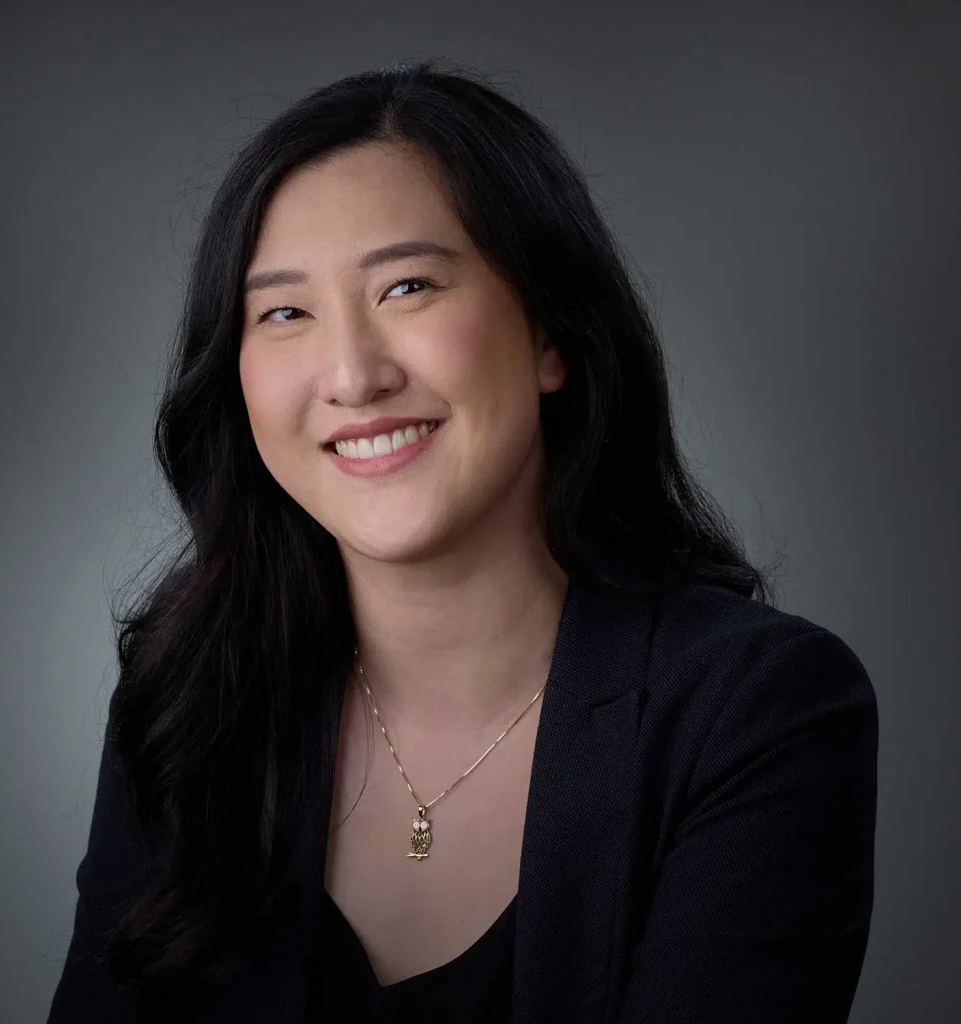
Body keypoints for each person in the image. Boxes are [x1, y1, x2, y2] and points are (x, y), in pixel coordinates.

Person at [46, 58, 878, 1024]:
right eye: (284, 312)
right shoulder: (190, 698)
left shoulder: (756, 711)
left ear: (550, 334)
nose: (352, 376)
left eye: (407, 288)